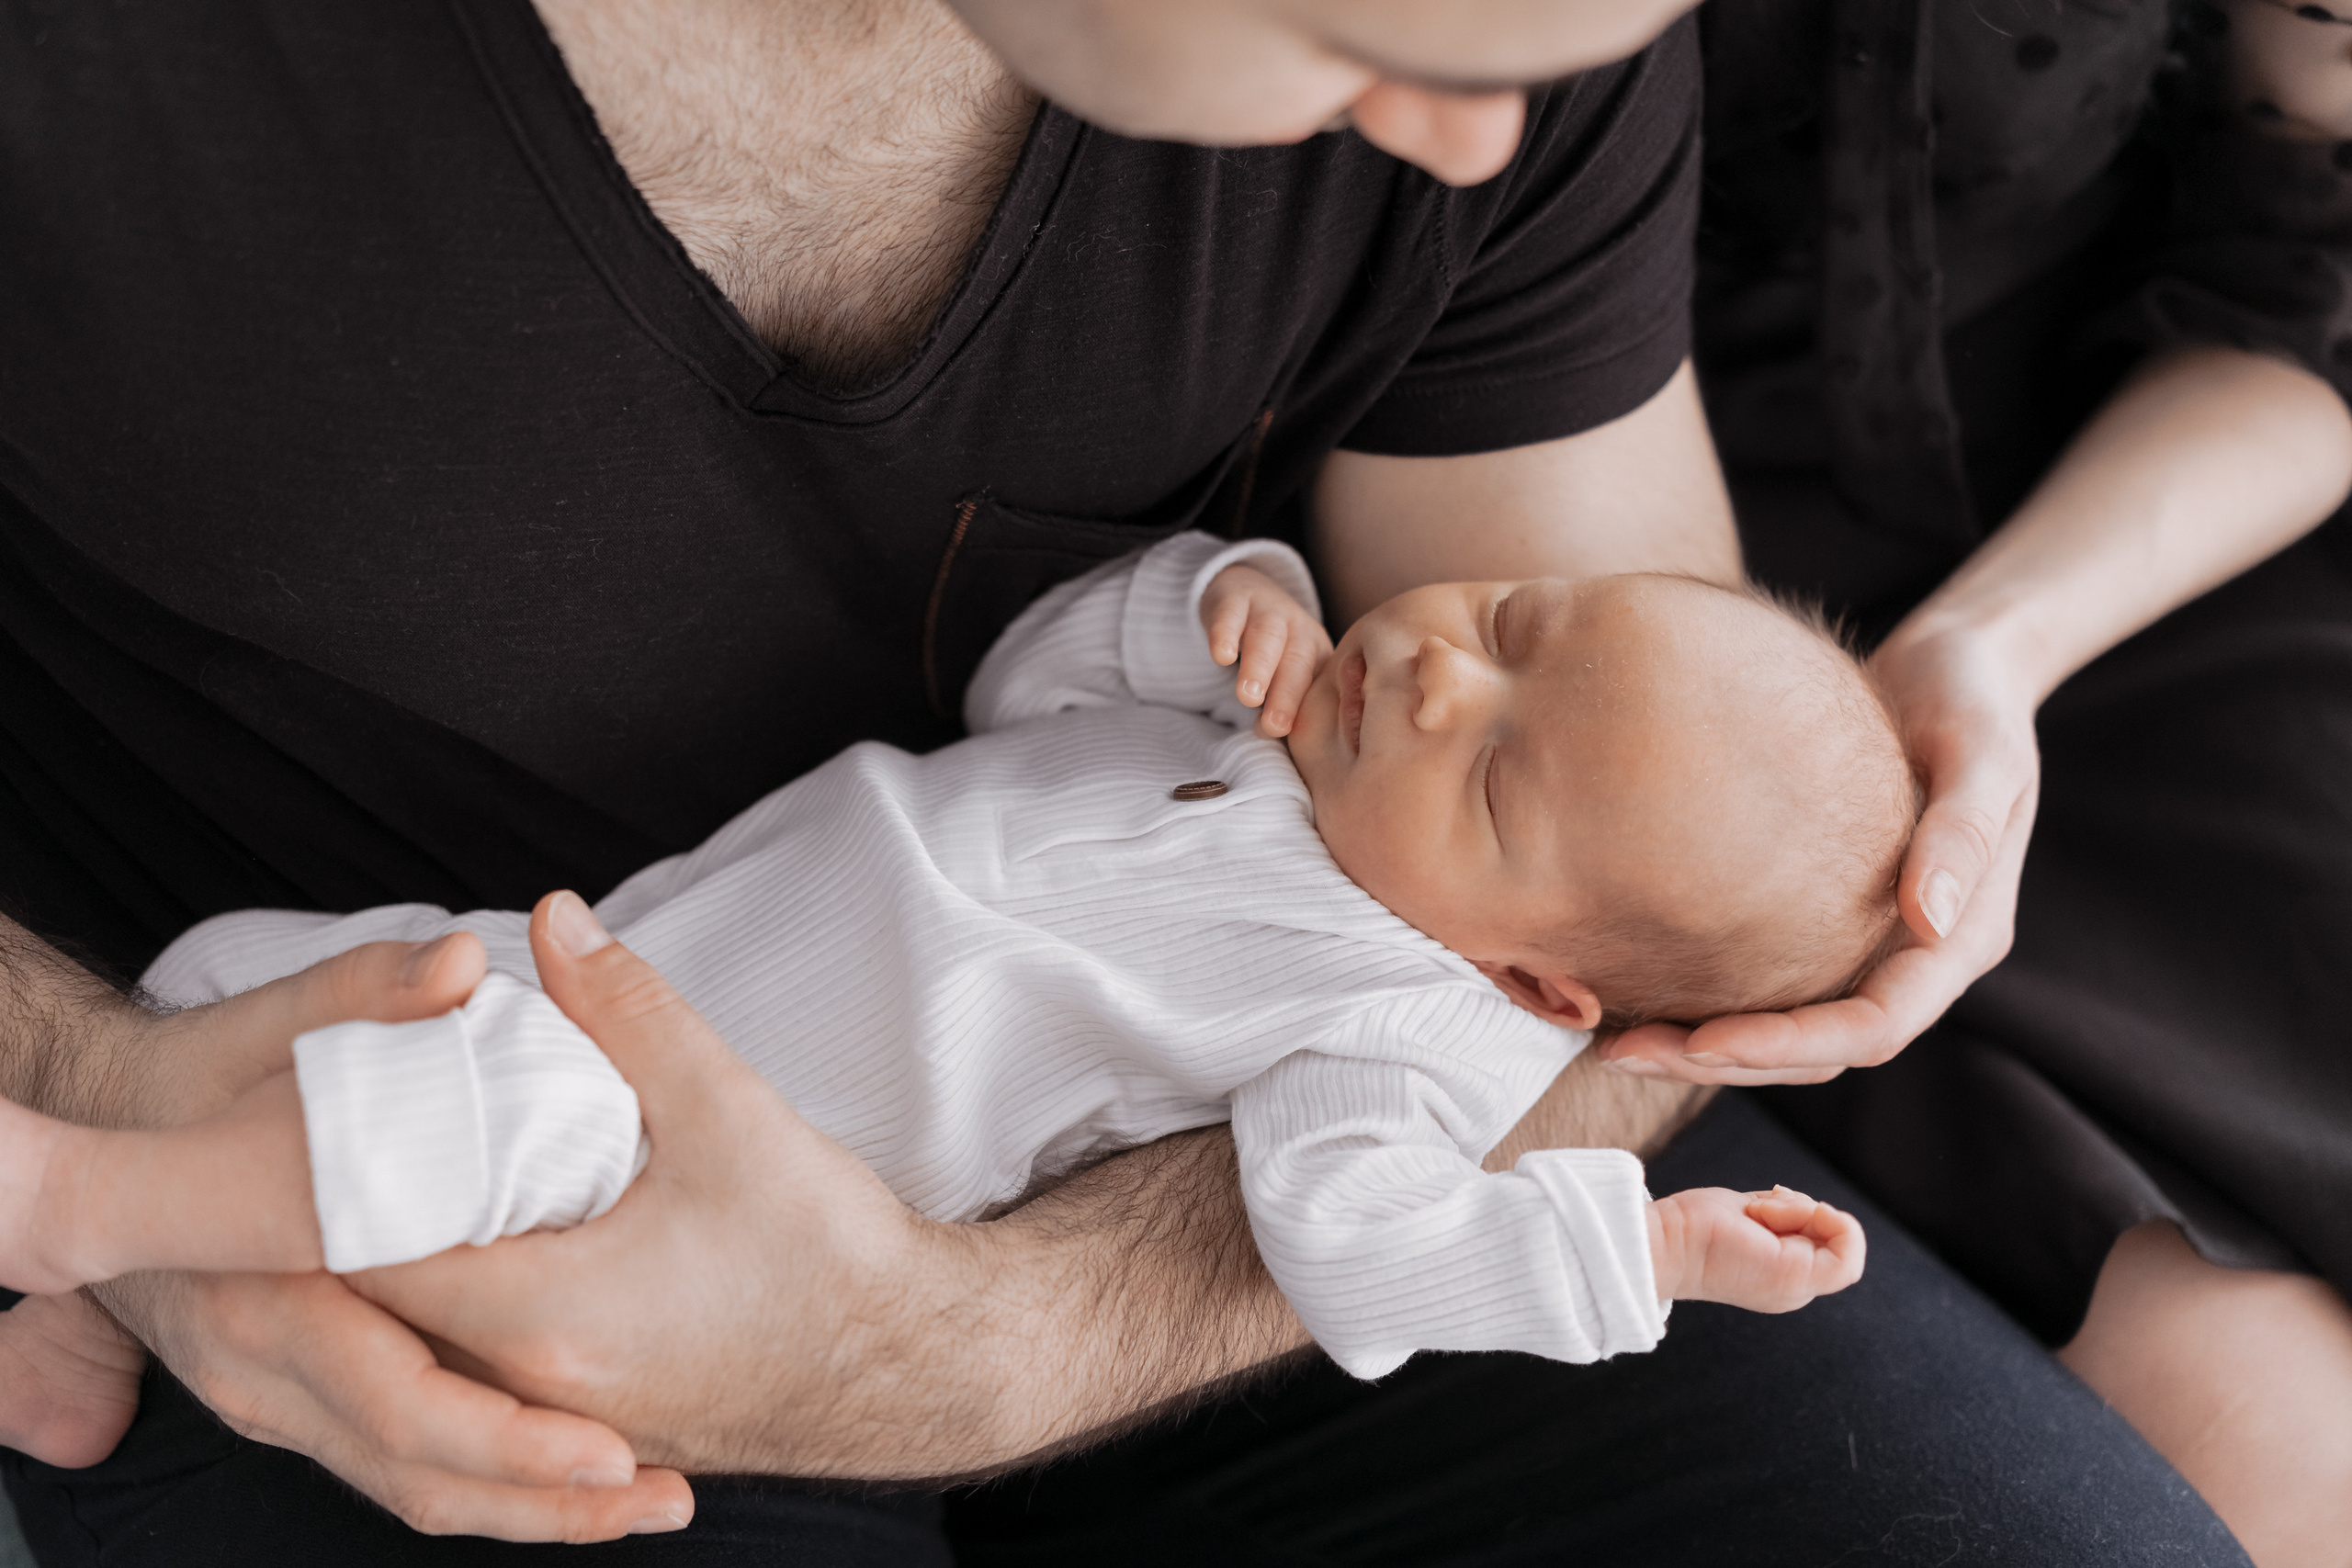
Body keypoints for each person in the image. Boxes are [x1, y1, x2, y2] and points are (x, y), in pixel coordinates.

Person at [0, 0, 2253, 1562]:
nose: (1484, 136)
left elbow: (1559, 1008)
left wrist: (982, 1342)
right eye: (1434, 40)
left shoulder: (1503, 95)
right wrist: (97, 1087)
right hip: (408, 1098)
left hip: (1182, 1221)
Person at [0, 533, 1893, 1456]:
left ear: (1533, 975)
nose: (1432, 681)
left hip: (666, 1157)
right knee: (224, 981)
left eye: (1491, 780)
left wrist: (1635, 1254)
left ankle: (71, 1199)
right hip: (562, 953)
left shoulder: (1410, 1014)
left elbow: (1357, 1236)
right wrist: (1200, 599)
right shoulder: (1272, 711)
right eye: (1509, 628)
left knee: (484, 1104)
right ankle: (83, 1305)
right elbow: (1016, 688)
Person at [1593, 2, 2352, 1562]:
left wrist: (1999, 645)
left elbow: (2299, 281)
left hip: (2119, 537)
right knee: (2284, 1473)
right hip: (1607, 638)